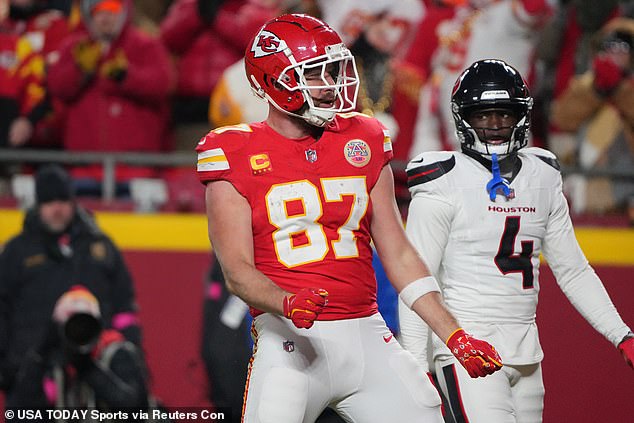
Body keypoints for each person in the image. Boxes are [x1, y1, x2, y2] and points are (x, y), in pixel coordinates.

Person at [196, 14, 502, 423]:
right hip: (290, 341)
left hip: (366, 333)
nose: (331, 84)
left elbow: (400, 256)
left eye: (332, 69)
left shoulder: (365, 138)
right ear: (274, 81)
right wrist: (284, 302)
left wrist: (455, 334)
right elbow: (236, 271)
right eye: (315, 73)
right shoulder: (232, 151)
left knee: (428, 413)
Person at [399, 59, 634, 423]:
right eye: (483, 115)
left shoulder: (542, 175)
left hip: (527, 351)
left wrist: (621, 334)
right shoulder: (443, 180)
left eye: (504, 114)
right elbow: (416, 282)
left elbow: (572, 270)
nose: (494, 126)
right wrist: (415, 368)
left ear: (521, 116)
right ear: (465, 118)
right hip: (464, 348)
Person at [0, 164, 142, 405]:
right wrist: (7, 367)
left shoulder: (100, 248)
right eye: (49, 202)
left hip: (94, 369)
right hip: (32, 371)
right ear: (38, 204)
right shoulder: (17, 252)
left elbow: (124, 306)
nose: (57, 209)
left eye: (63, 200)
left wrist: (128, 354)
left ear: (73, 202)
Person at [46, 0, 174, 196]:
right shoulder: (74, 47)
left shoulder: (145, 45)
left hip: (136, 168)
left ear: (124, 13)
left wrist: (126, 76)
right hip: (83, 167)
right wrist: (80, 70)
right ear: (89, 15)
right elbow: (57, 87)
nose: (105, 17)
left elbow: (163, 84)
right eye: (99, 12)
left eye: (112, 10)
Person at [8, 285, 149, 410]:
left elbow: (134, 406)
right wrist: (42, 351)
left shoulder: (116, 353)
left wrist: (86, 367)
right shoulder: (54, 363)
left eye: (86, 325)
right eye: (72, 326)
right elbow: (22, 410)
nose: (79, 333)